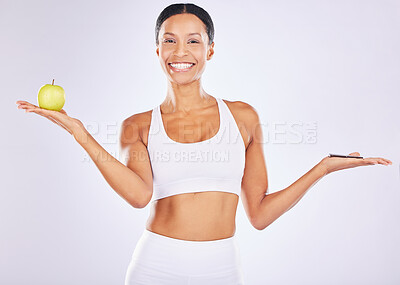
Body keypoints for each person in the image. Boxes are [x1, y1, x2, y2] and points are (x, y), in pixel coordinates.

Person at [16, 3, 392, 285]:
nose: (181, 53)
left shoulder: (243, 117)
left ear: (209, 50)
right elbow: (138, 196)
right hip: (155, 265)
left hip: (222, 267)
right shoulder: (139, 125)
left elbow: (259, 215)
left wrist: (322, 168)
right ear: (157, 51)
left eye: (193, 41)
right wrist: (80, 134)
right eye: (170, 41)